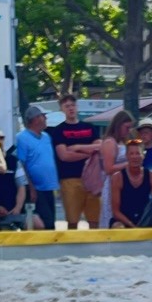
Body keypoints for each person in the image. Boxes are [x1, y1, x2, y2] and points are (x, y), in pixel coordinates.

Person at [49, 95, 99, 229]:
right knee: (72, 221)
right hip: (70, 179)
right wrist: (88, 153)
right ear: (62, 109)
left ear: (77, 107)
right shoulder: (58, 131)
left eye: (73, 105)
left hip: (92, 179)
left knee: (95, 220)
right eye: (67, 106)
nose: (71, 108)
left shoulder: (90, 127)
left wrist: (77, 148)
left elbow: (99, 147)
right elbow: (64, 156)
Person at [14, 104, 59, 231]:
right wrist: (31, 188)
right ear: (34, 119)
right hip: (36, 188)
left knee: (51, 222)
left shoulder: (46, 137)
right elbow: (21, 164)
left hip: (49, 187)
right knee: (44, 223)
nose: (46, 119)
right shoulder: (22, 138)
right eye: (43, 116)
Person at [97, 111, 136, 228]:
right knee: (111, 216)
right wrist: (129, 164)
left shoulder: (122, 141)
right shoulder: (110, 142)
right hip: (111, 184)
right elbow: (108, 169)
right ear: (119, 125)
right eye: (126, 127)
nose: (128, 131)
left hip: (122, 184)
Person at [110, 139, 152, 227]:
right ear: (126, 156)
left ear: (143, 155)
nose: (134, 157)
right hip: (124, 221)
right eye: (131, 154)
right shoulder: (117, 177)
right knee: (117, 226)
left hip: (145, 220)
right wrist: (132, 226)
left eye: (138, 153)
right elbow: (115, 211)